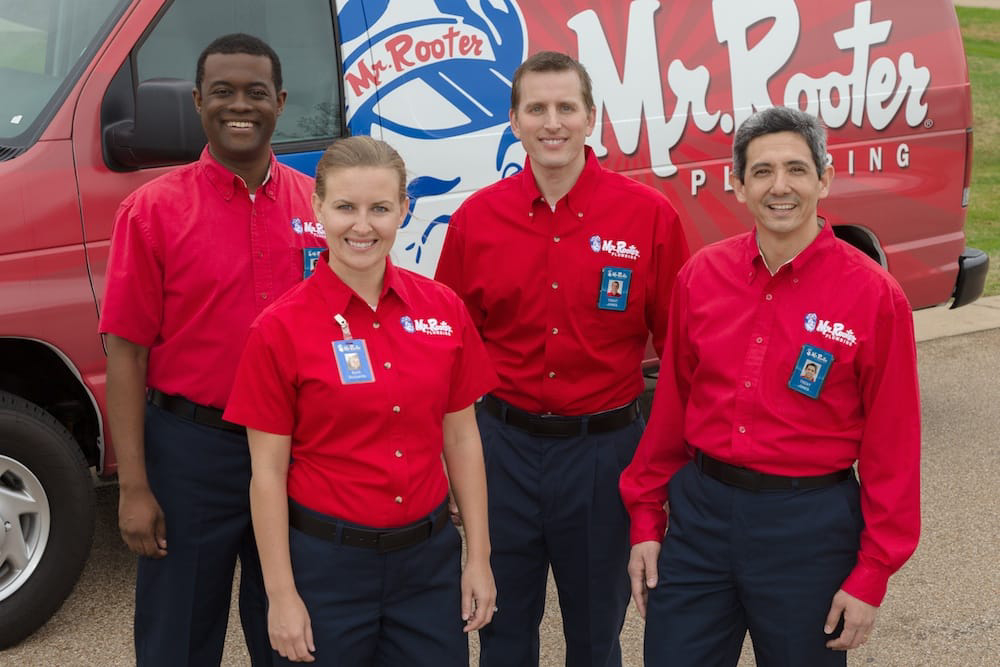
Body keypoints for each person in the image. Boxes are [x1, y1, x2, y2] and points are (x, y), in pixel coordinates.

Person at [620, 106, 921, 666]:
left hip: (808, 529)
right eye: (761, 172)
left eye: (796, 170)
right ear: (737, 184)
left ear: (824, 178)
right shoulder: (701, 277)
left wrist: (872, 573)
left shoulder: (875, 297)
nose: (779, 187)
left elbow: (893, 447)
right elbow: (670, 413)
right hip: (701, 519)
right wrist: (646, 519)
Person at [435, 51, 688, 666]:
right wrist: (441, 461)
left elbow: (683, 357)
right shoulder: (476, 220)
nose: (553, 123)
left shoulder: (648, 217)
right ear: (515, 121)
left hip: (604, 457)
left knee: (597, 633)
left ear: (590, 117)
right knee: (499, 629)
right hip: (503, 452)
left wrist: (668, 473)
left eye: (566, 107)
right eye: (537, 109)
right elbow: (445, 355)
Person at [223, 136, 497, 666]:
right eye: (346, 207)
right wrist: (281, 596)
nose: (362, 226)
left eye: (380, 208)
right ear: (318, 207)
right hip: (327, 568)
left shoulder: (444, 310)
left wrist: (479, 557)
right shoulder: (278, 329)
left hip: (427, 565)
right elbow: (266, 474)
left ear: (405, 210)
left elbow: (462, 437)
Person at [99, 34, 326, 666]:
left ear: (280, 101)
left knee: (292, 630)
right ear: (198, 102)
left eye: (256, 92)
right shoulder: (152, 211)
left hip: (296, 449)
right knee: (177, 634)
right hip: (190, 453)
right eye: (222, 92)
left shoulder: (317, 205)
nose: (239, 106)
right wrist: (135, 487)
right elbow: (126, 356)